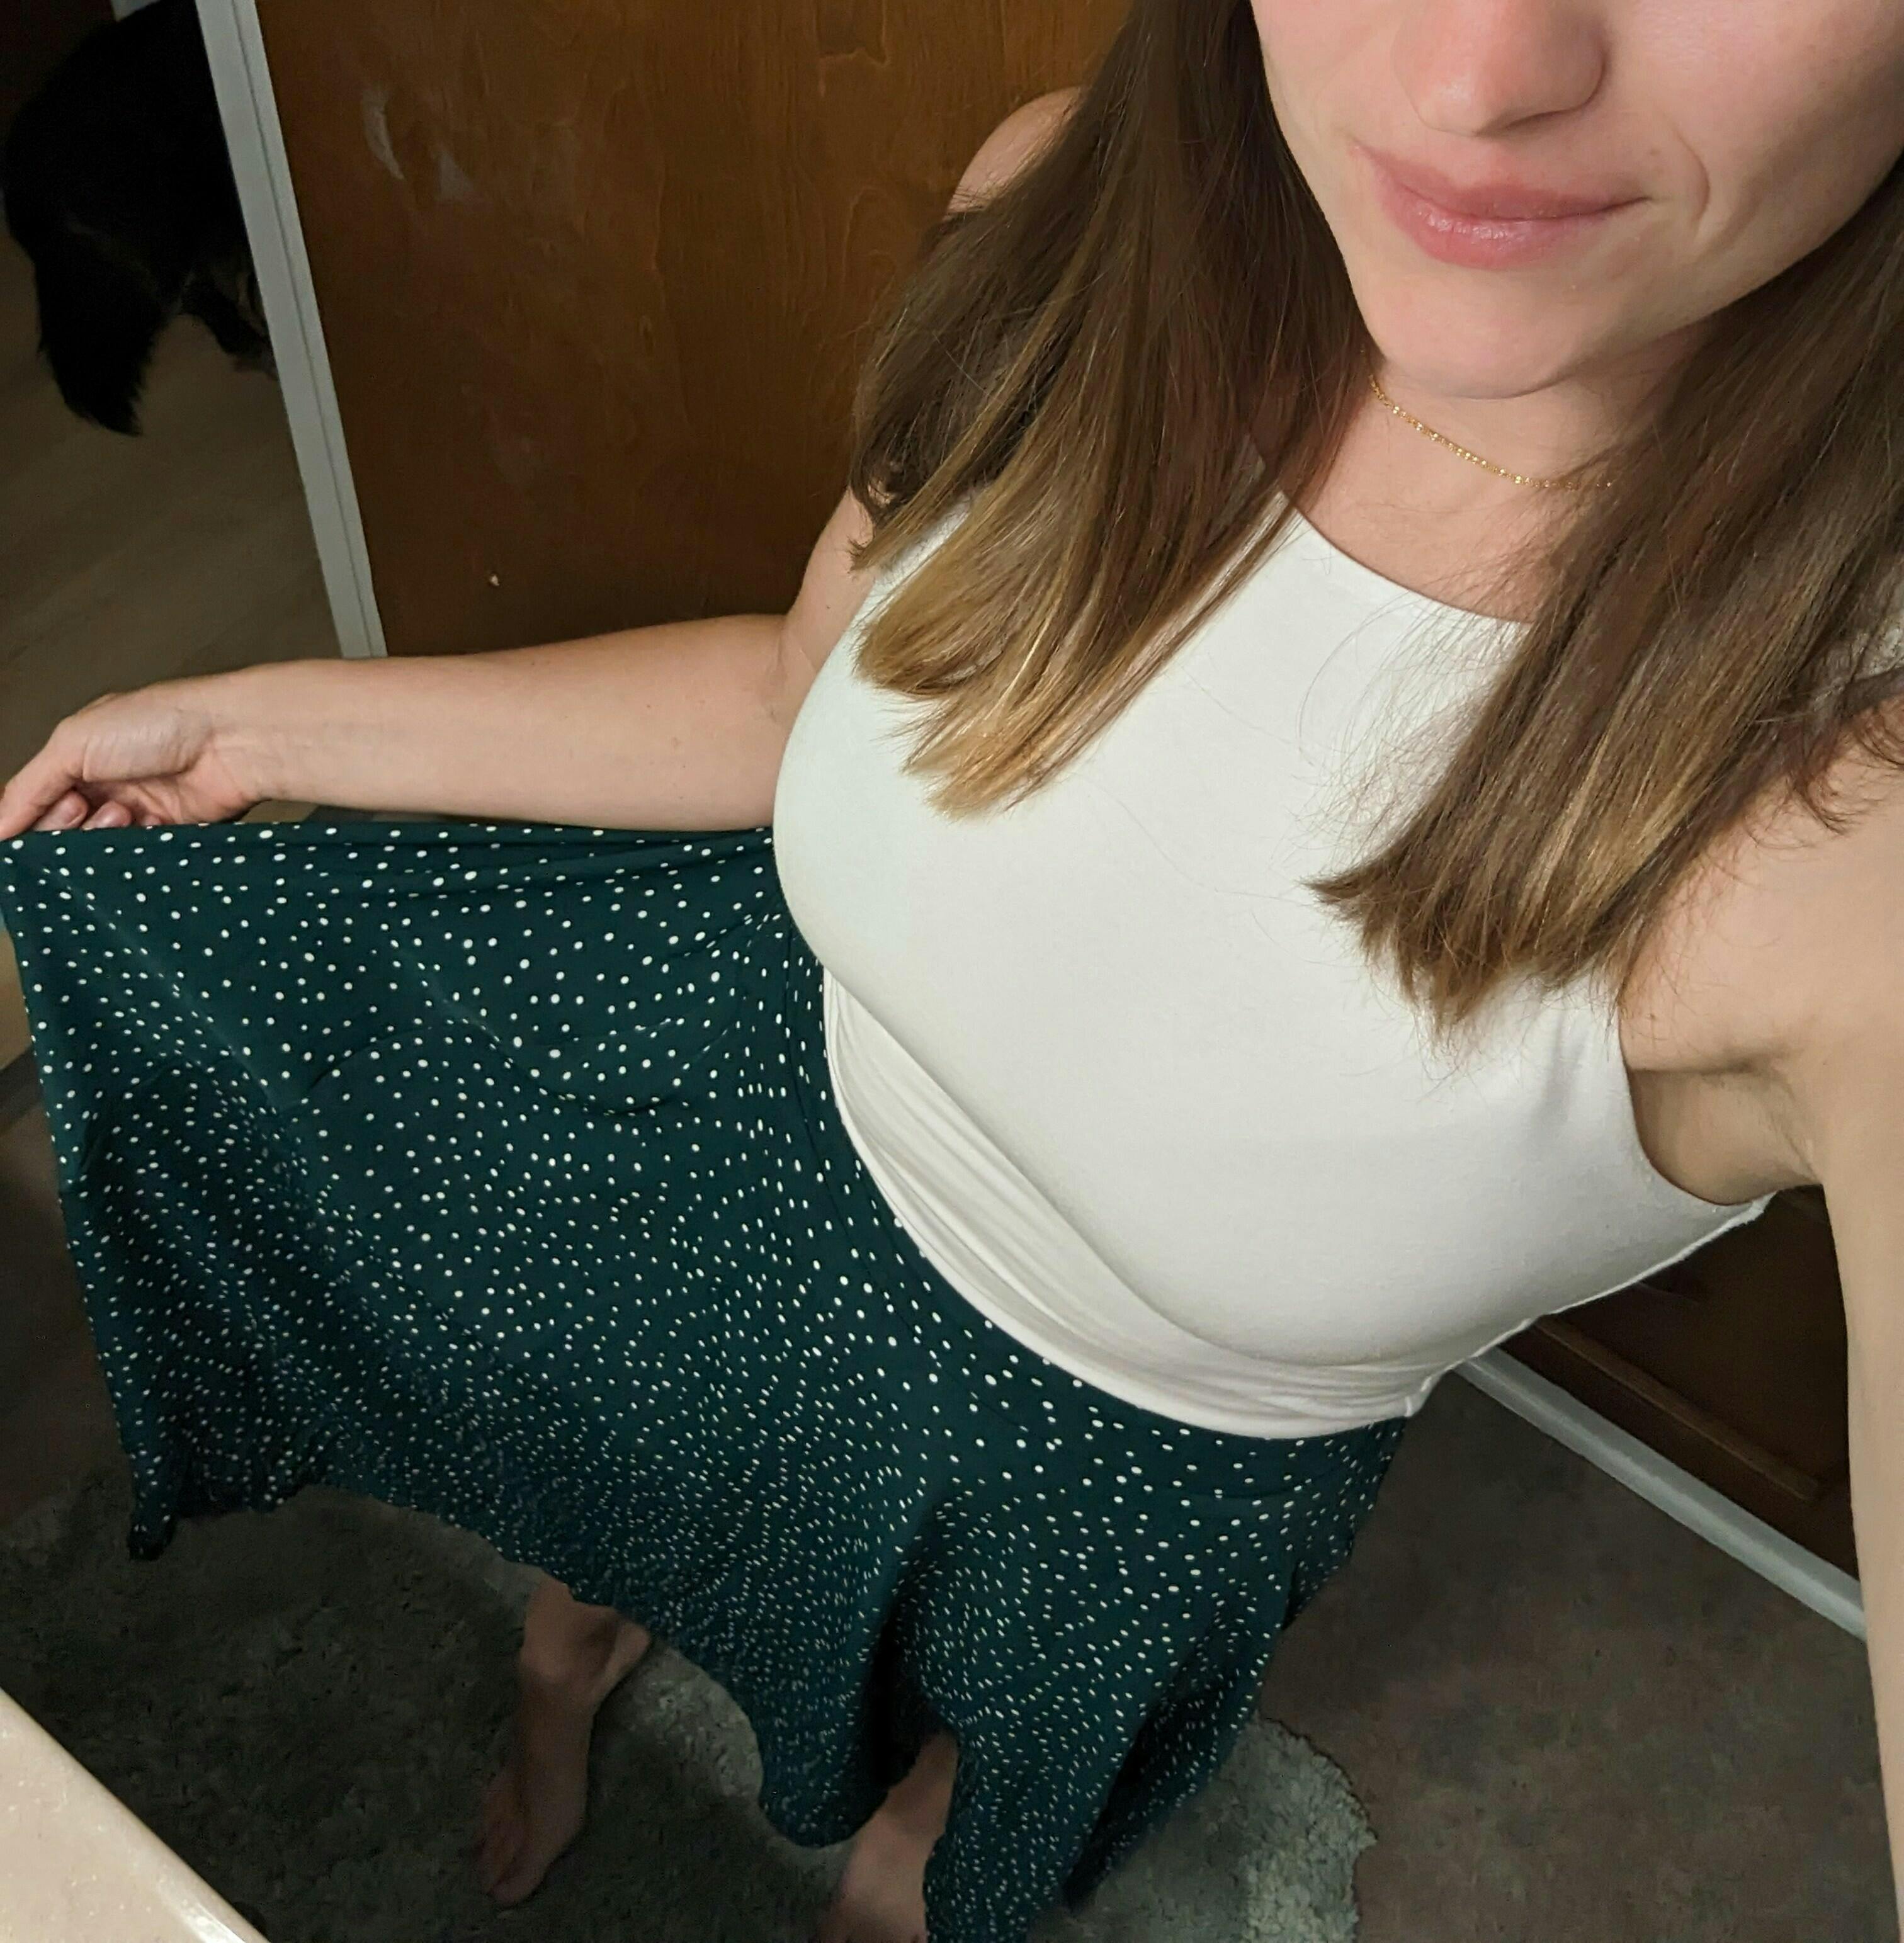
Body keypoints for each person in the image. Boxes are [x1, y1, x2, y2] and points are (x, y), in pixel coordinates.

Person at [6, 3, 1904, 1938]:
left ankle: (908, 1858)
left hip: (1128, 1474)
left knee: (974, 1767)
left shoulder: (1856, 816)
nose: (1479, 77)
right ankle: (572, 1660)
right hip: (774, 1148)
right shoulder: (1080, 208)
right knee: (623, 1504)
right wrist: (256, 732)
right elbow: (791, 697)